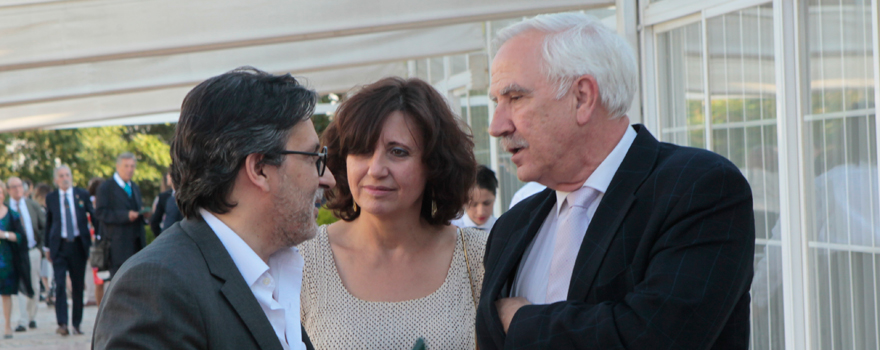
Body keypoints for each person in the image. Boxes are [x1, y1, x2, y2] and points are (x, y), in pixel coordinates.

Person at [476, 13, 755, 349]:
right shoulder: (511, 228)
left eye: (515, 98)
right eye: (496, 102)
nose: (496, 126)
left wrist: (521, 321)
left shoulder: (700, 188)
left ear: (582, 97)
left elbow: (654, 338)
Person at [93, 67, 335, 350]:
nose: (327, 178)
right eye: (313, 158)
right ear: (259, 168)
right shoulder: (157, 288)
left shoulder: (274, 270)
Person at [302, 77, 485, 349]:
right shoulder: (303, 261)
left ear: (434, 164)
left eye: (398, 152)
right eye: (362, 151)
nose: (376, 169)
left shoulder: (480, 258)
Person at [44, 165, 95, 336]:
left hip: (78, 245)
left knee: (78, 285)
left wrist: (100, 236)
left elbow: (93, 215)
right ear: (56, 179)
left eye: (67, 175)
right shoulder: (51, 198)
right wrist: (47, 247)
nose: (65, 178)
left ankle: (76, 323)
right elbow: (48, 223)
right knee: (59, 284)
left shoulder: (81, 194)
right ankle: (62, 323)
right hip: (59, 245)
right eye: (61, 175)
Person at [95, 152, 146, 278]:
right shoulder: (106, 187)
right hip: (117, 248)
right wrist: (125, 216)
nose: (130, 170)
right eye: (126, 166)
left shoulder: (134, 187)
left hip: (136, 246)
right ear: (118, 167)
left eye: (132, 166)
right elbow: (101, 213)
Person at [5, 177, 45, 332]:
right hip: (15, 253)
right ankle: (21, 320)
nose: (17, 189)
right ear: (8, 190)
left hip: (33, 250)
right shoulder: (6, 208)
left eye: (20, 186)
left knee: (34, 284)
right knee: (19, 286)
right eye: (13, 187)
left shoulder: (32, 205)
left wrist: (41, 248)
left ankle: (31, 317)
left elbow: (43, 226)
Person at [0, 182, 34, 339]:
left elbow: (21, 236)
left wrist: (4, 234)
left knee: (6, 295)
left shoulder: (12, 214)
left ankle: (7, 325)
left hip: (6, 261)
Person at [452, 165, 498, 231]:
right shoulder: (452, 229)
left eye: (487, 203)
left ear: (494, 197)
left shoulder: (502, 229)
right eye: (473, 204)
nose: (480, 212)